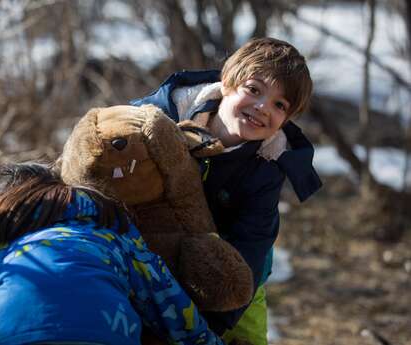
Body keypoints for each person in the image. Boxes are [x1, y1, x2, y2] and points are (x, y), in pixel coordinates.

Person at [131, 37, 322, 345]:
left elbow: (252, 244)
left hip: (232, 259)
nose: (262, 107)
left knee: (244, 329)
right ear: (227, 83)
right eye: (254, 89)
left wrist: (204, 331)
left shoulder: (266, 166)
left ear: (286, 120)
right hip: (148, 240)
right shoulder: (163, 114)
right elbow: (102, 145)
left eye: (279, 104)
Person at [0, 162, 226, 345]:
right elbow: (165, 296)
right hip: (101, 327)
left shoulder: (1, 240)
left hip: (3, 329)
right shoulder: (109, 232)